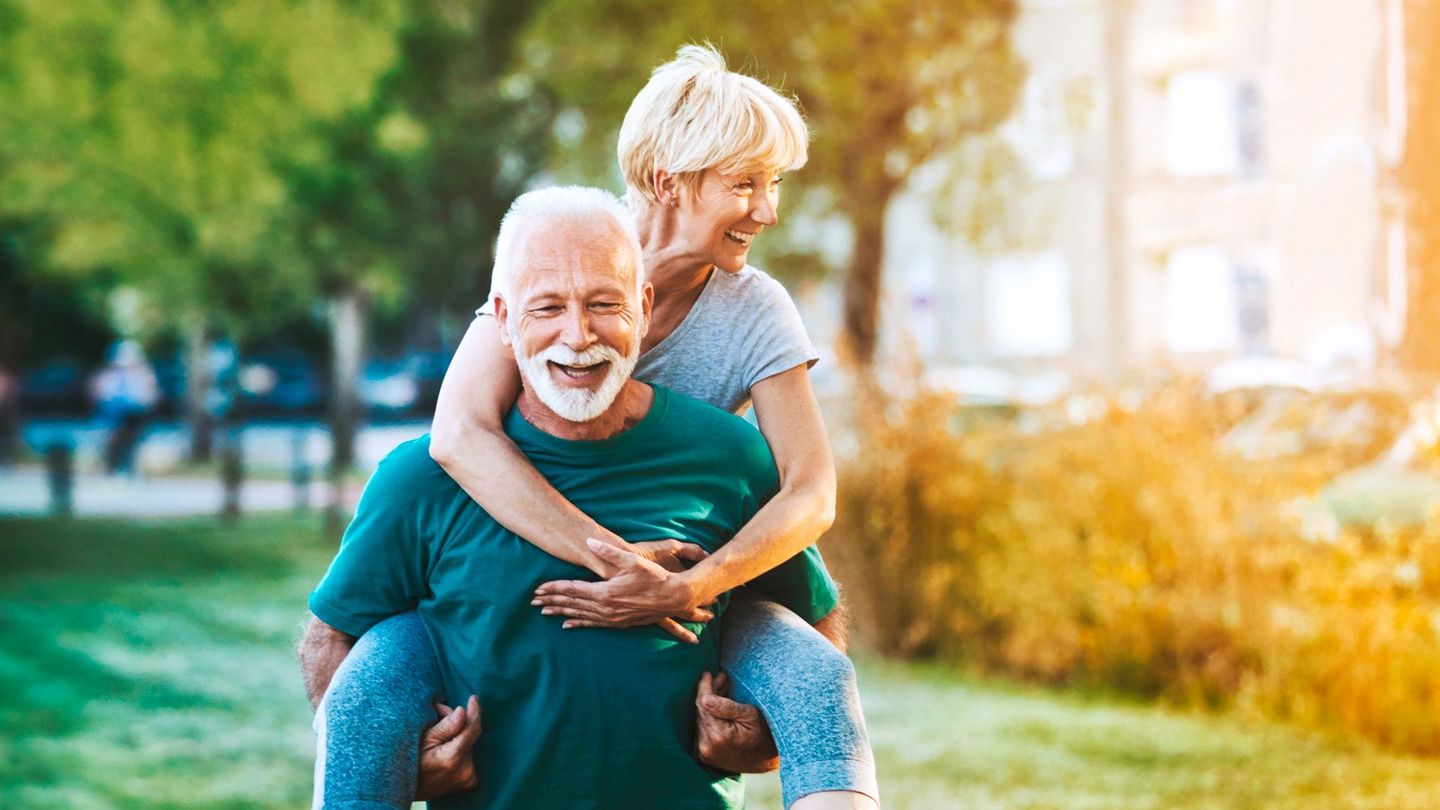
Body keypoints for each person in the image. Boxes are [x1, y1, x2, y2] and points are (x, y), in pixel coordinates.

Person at [322, 44, 879, 810]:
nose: (767, 209)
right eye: (746, 184)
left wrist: (682, 587)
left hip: (687, 562)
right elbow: (458, 438)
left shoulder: (753, 310)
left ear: (640, 311)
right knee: (377, 675)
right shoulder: (563, 254)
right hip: (528, 554)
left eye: (772, 184)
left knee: (816, 675)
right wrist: (617, 566)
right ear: (667, 183)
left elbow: (810, 493)